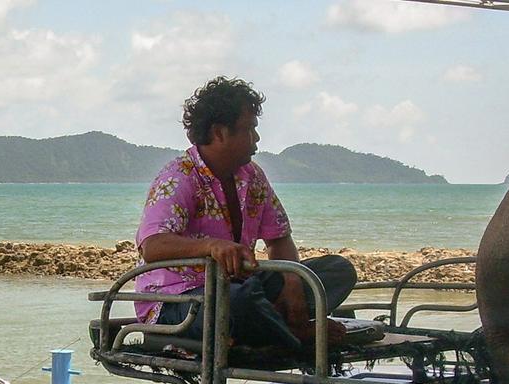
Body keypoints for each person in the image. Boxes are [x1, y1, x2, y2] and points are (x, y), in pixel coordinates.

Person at [134, 76, 356, 351]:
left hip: (241, 285)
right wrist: (211, 246)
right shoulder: (179, 176)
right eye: (249, 128)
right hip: (180, 301)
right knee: (237, 302)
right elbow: (153, 245)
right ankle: (291, 334)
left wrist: (292, 282)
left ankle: (269, 324)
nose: (257, 138)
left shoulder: (252, 176)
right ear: (219, 133)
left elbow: (279, 239)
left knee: (336, 271)